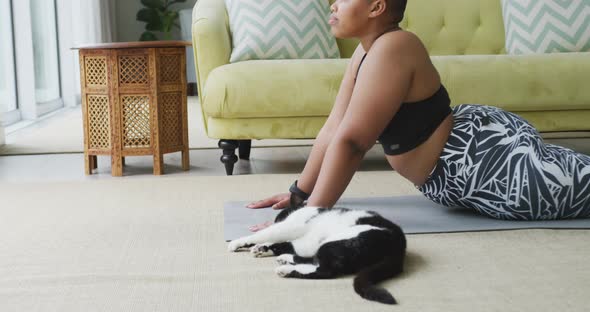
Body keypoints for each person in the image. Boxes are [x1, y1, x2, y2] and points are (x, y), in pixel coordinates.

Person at [246, 0, 590, 231]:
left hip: (489, 163)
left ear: (377, 7)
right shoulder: (365, 54)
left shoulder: (397, 45)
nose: (333, 3)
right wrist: (298, 194)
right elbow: (334, 130)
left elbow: (354, 142)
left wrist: (307, 218)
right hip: (460, 176)